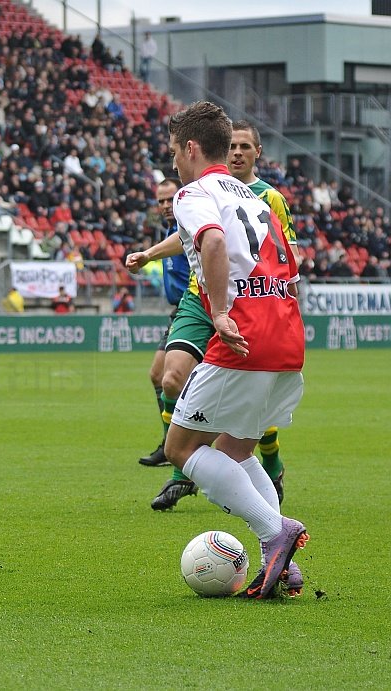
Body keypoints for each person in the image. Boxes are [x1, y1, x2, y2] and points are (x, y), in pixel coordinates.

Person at [158, 101, 308, 599]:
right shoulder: (253, 194)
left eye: (175, 152)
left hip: (244, 332)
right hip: (285, 329)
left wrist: (220, 312)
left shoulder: (193, 192)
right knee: (236, 448)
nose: (174, 162)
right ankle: (282, 561)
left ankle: (275, 533)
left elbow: (214, 242)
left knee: (182, 448)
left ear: (192, 148)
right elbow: (290, 261)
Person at [129, 120, 300, 512]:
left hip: (244, 304)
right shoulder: (206, 192)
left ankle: (252, 476)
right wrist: (151, 253)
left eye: (245, 146)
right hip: (200, 297)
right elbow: (197, 235)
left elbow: (283, 255)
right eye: (233, 145)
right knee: (169, 376)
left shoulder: (265, 197)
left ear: (256, 152)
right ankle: (184, 464)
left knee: (236, 422)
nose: (238, 152)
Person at [135, 178, 189, 468]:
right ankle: (170, 445)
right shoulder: (171, 232)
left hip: (194, 312)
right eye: (161, 201)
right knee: (158, 376)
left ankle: (181, 445)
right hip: (177, 312)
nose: (166, 206)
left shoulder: (191, 229)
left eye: (171, 199)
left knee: (170, 378)